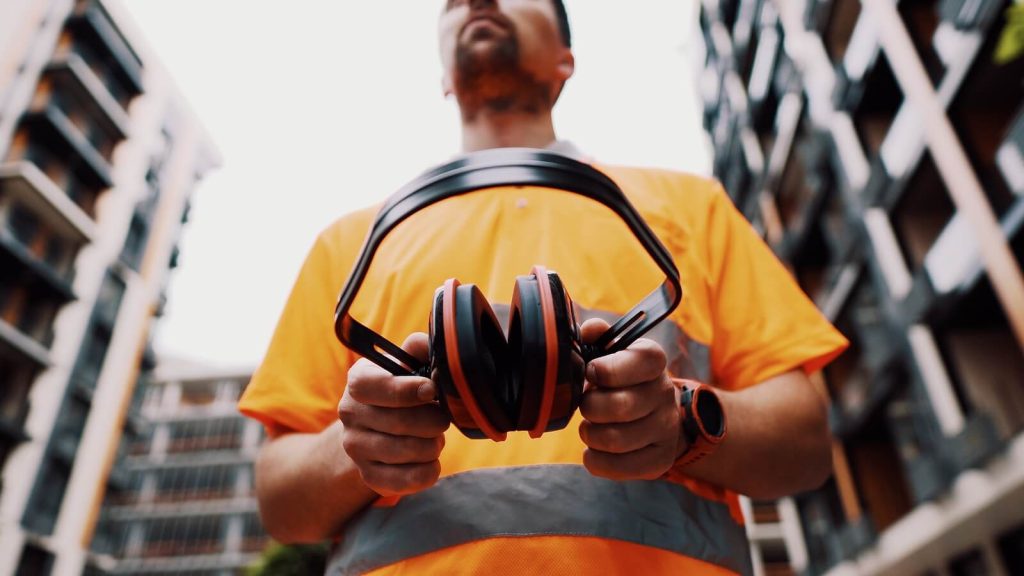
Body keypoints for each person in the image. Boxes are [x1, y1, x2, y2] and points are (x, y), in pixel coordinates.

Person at [238, 0, 849, 574]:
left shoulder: (688, 209)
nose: (476, 1)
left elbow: (806, 444)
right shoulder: (351, 243)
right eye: (454, 4)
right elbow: (279, 501)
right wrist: (356, 449)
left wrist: (684, 420)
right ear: (444, 77)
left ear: (566, 62)